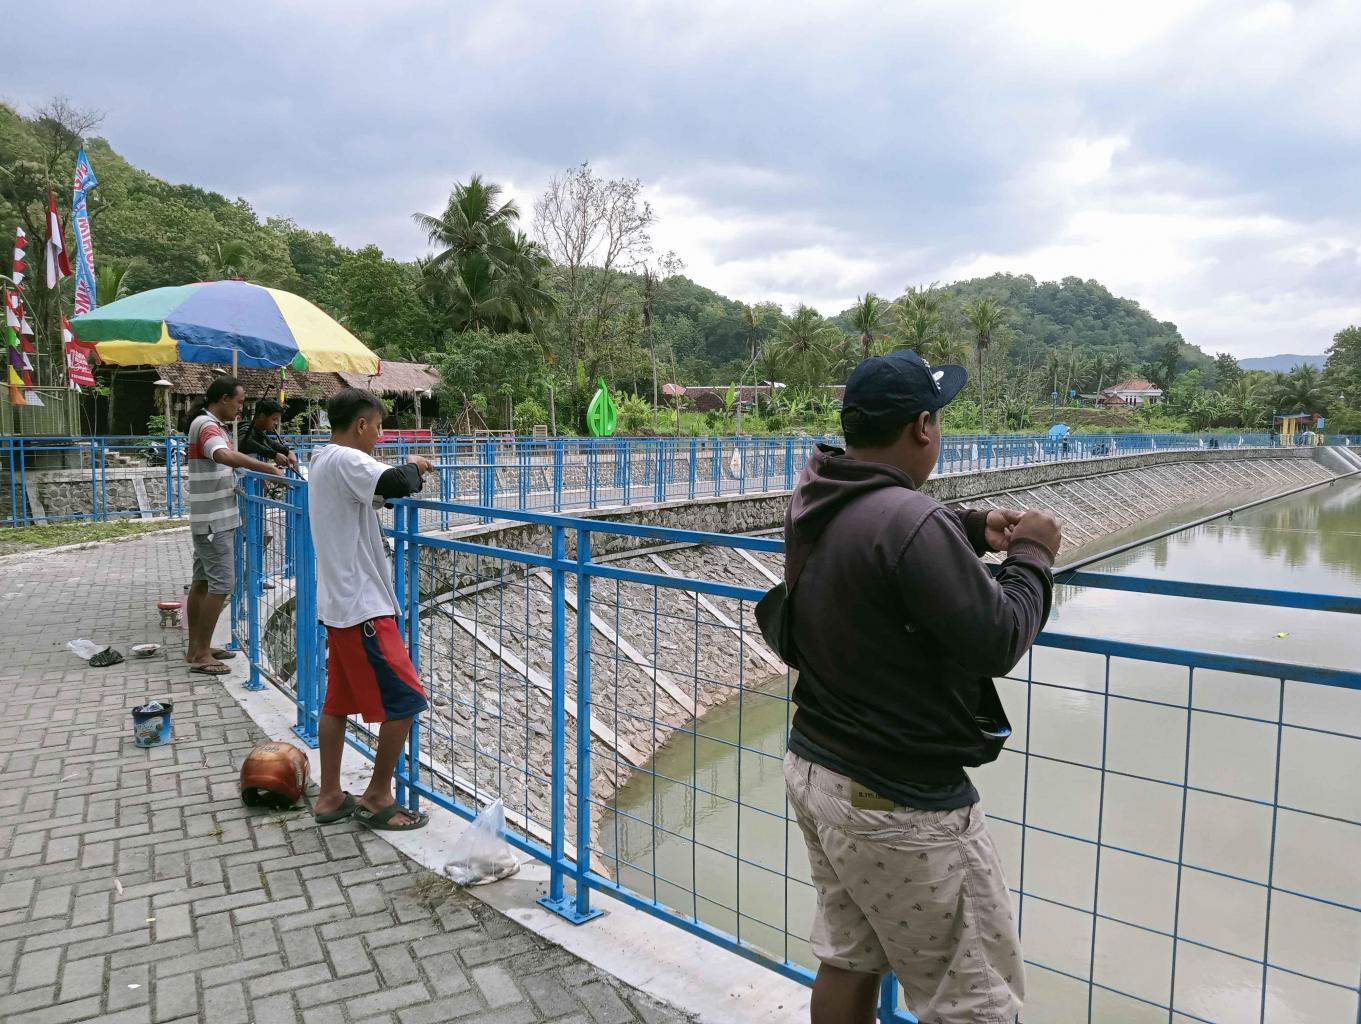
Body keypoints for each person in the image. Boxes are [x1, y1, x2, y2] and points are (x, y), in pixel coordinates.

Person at [781, 350, 1062, 1024]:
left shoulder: (817, 490)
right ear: (923, 426)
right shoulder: (910, 522)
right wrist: (1033, 556)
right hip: (897, 801)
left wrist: (967, 528)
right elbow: (998, 637)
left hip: (818, 767)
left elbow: (879, 535)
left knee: (849, 954)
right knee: (973, 1001)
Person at [308, 388, 434, 831]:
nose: (379, 437)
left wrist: (405, 477)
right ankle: (378, 795)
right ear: (361, 425)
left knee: (337, 704)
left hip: (339, 604)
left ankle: (329, 796)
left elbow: (377, 494)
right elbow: (396, 482)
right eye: (378, 428)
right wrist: (417, 465)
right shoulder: (346, 458)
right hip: (363, 608)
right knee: (407, 699)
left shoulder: (322, 460)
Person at [186, 375, 284, 675]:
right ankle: (202, 654)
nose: (241, 408)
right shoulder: (207, 425)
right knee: (222, 584)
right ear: (224, 399)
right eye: (239, 402)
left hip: (209, 516)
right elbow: (222, 455)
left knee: (203, 582)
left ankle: (196, 648)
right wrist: (266, 467)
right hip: (214, 520)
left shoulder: (209, 423)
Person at [239, 397, 299, 472]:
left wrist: (288, 452)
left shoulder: (259, 432)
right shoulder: (246, 429)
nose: (276, 423)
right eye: (274, 419)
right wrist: (274, 455)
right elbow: (245, 441)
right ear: (262, 416)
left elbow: (272, 443)